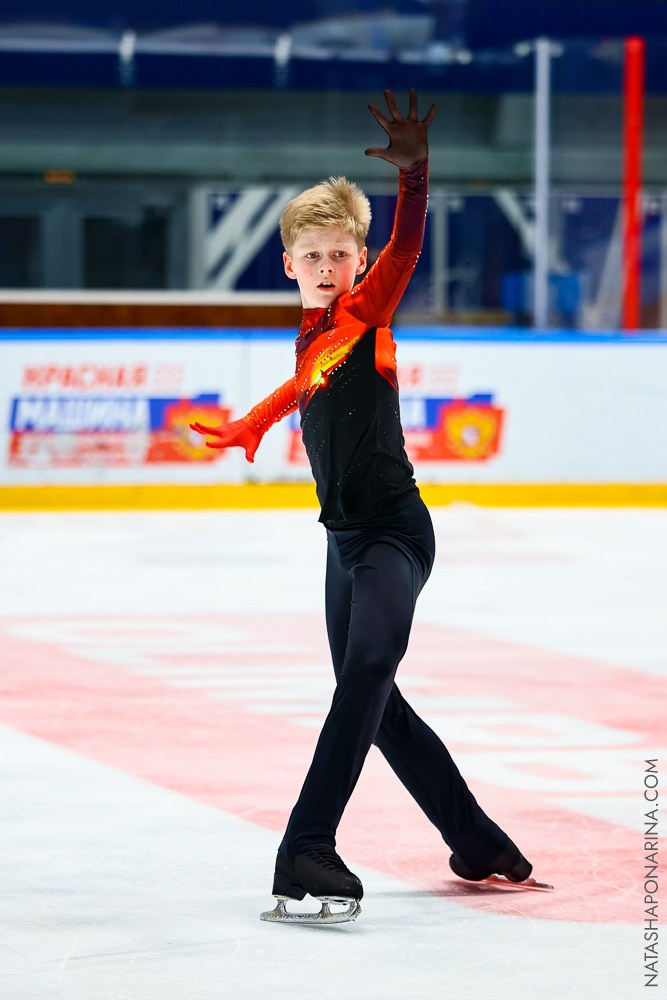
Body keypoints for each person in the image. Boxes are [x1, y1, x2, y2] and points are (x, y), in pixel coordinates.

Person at [191, 90, 550, 924]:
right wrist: (253, 423)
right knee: (375, 700)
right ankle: (480, 843)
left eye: (338, 254)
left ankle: (307, 843)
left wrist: (415, 174)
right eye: (309, 255)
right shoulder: (312, 338)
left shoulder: (365, 311)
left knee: (362, 678)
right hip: (341, 542)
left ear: (357, 263)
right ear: (287, 264)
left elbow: (408, 244)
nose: (324, 266)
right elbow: (302, 383)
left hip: (393, 536)